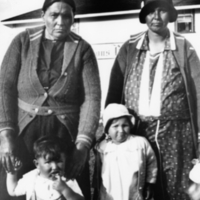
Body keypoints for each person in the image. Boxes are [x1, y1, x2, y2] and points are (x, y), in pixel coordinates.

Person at [0, 0, 101, 199]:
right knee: (16, 187)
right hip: (24, 133)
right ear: (43, 15)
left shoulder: (83, 49)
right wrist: (6, 136)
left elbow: (92, 98)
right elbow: (5, 87)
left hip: (64, 134)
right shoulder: (23, 41)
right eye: (54, 15)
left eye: (67, 16)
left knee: (66, 189)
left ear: (73, 18)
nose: (60, 22)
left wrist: (82, 146)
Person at [105, 0, 200, 199]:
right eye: (150, 12)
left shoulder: (183, 47)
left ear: (171, 14)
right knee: (138, 186)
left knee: (176, 187)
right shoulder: (130, 47)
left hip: (176, 133)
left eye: (162, 11)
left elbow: (198, 92)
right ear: (143, 15)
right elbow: (114, 90)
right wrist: (110, 126)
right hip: (137, 132)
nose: (156, 17)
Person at [93, 103, 157, 200]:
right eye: (115, 126)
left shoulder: (140, 143)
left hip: (132, 191)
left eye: (125, 125)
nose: (121, 130)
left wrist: (150, 183)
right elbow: (98, 171)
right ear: (107, 129)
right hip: (111, 192)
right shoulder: (103, 147)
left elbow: (151, 163)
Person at [6, 136, 84, 200]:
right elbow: (13, 191)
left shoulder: (67, 180)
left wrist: (65, 190)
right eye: (48, 162)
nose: (54, 167)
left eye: (59, 161)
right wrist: (12, 172)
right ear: (37, 164)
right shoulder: (31, 179)